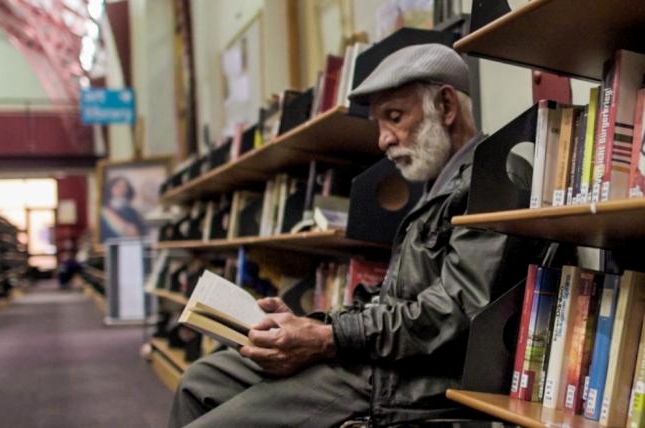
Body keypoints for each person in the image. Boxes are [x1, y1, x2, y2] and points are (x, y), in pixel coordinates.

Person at [169, 43, 539, 427]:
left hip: (414, 381)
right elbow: (396, 300)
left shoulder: (494, 181)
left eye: (394, 117)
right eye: (379, 124)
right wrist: (309, 323)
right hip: (382, 361)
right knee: (200, 381)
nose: (383, 140)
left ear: (445, 107)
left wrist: (329, 338)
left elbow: (453, 314)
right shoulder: (437, 187)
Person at [100, 176, 145, 241]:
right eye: (118, 186)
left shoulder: (132, 212)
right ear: (110, 188)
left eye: (124, 186)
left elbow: (140, 232)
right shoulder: (104, 211)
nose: (121, 189)